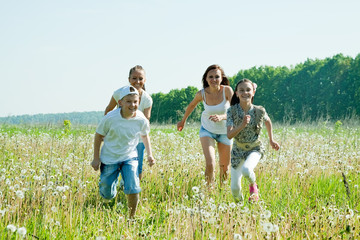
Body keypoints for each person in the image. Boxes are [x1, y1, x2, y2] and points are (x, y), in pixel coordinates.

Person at [91, 86, 155, 218]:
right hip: (109, 158)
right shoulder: (110, 118)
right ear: (120, 102)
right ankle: (110, 188)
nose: (133, 105)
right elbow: (98, 136)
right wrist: (96, 158)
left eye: (135, 102)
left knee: (133, 187)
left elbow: (145, 135)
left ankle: (131, 217)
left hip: (129, 157)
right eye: (128, 101)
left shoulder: (141, 119)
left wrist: (150, 155)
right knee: (107, 193)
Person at [177, 64, 234, 186]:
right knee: (210, 163)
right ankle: (209, 192)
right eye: (211, 77)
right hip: (207, 130)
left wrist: (222, 117)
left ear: (221, 78)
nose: (214, 79)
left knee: (225, 168)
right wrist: (183, 120)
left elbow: (236, 110)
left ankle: (222, 193)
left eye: (217, 77)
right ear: (206, 79)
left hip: (226, 132)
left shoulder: (227, 91)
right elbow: (192, 105)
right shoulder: (201, 94)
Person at [226, 79, 280, 203]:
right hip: (237, 151)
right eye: (242, 90)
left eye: (248, 90)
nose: (245, 92)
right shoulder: (231, 111)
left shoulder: (259, 110)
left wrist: (271, 140)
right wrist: (242, 125)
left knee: (246, 169)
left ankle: (253, 186)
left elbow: (268, 121)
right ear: (237, 93)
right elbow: (229, 135)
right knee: (234, 189)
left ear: (253, 92)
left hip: (255, 149)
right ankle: (240, 208)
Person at [104, 65, 153, 180]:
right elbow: (108, 110)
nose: (137, 81)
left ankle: (132, 193)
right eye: (134, 78)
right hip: (119, 136)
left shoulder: (147, 99)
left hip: (138, 139)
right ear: (129, 79)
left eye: (140, 78)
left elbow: (146, 123)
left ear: (144, 80)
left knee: (137, 169)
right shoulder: (118, 93)